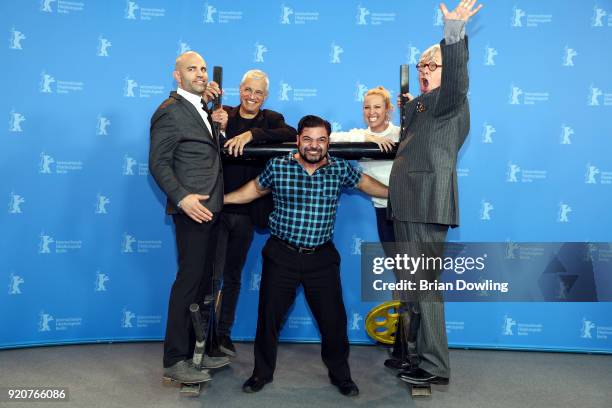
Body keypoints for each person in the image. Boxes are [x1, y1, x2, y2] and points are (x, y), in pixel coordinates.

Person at [224, 115, 388, 396]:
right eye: (308, 139)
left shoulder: (339, 169)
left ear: (328, 143)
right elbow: (253, 190)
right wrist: (221, 200)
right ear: (298, 140)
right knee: (268, 320)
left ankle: (341, 376)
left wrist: (396, 194)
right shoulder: (278, 166)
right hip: (281, 255)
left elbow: (366, 184)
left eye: (321, 140)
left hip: (321, 259)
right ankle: (261, 373)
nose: (314, 146)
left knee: (334, 323)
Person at [388, 0, 482, 386]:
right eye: (421, 65)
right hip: (409, 204)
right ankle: (414, 355)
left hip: (426, 204)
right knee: (413, 286)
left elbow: (457, 75)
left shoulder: (450, 99)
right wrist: (409, 109)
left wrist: (454, 33)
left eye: (433, 65)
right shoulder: (424, 104)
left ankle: (434, 367)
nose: (425, 71)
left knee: (424, 288)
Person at [149, 51, 230, 384]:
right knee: (188, 283)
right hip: (193, 211)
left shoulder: (202, 109)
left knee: (204, 284)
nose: (199, 74)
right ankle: (175, 358)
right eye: (191, 69)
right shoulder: (169, 112)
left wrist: (220, 127)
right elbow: (158, 163)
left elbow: (206, 154)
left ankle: (199, 352)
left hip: (213, 210)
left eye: (202, 69)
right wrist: (181, 198)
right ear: (176, 76)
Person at [214, 69, 297, 357]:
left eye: (258, 92)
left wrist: (251, 134)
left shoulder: (272, 119)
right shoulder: (223, 112)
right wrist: (216, 121)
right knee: (210, 276)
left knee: (232, 276)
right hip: (216, 210)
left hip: (248, 213)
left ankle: (222, 335)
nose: (252, 96)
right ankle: (203, 335)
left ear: (266, 97)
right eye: (248, 90)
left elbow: (291, 134)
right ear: (239, 89)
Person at [330, 86, 399, 244]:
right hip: (383, 209)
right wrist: (368, 137)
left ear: (388, 109)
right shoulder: (359, 135)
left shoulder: (399, 133)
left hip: (408, 206)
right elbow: (330, 137)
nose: (371, 112)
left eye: (377, 107)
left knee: (417, 261)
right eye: (367, 107)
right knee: (397, 263)